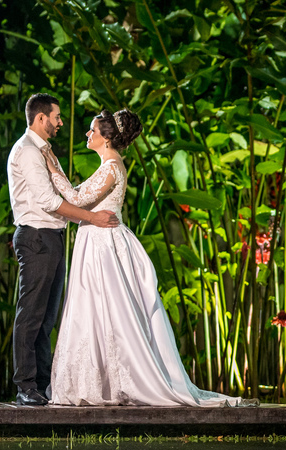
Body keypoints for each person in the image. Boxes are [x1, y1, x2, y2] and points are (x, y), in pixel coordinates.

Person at [40, 108, 256, 406]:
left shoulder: (112, 166)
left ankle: (119, 382)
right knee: (92, 311)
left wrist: (52, 169)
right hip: (95, 241)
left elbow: (76, 199)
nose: (88, 134)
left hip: (104, 246)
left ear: (106, 138)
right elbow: (79, 195)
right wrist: (60, 175)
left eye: (92, 130)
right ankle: (99, 381)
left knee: (110, 311)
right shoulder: (106, 165)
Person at [7, 93, 120, 407]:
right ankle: (25, 386)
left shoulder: (45, 153)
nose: (60, 123)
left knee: (46, 318)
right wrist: (93, 217)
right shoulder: (28, 151)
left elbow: (66, 192)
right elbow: (49, 201)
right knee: (30, 315)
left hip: (52, 238)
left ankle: (43, 385)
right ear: (41, 118)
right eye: (56, 117)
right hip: (37, 237)